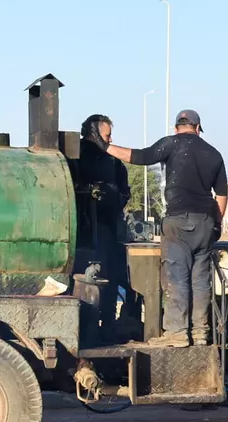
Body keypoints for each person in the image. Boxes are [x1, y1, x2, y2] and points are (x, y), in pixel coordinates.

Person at [88, 110, 228, 347]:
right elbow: (222, 195)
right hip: (206, 222)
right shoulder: (214, 154)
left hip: (178, 222)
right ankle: (201, 333)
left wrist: (104, 146)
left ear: (176, 128)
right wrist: (216, 222)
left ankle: (177, 333)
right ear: (198, 127)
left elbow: (139, 156)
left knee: (176, 276)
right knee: (200, 279)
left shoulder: (171, 144)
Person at [77, 114, 131, 340]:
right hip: (82, 228)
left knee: (109, 276)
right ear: (95, 133)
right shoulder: (76, 156)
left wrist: (114, 198)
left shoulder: (114, 162)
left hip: (107, 227)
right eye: (107, 135)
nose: (110, 140)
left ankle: (107, 324)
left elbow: (124, 191)